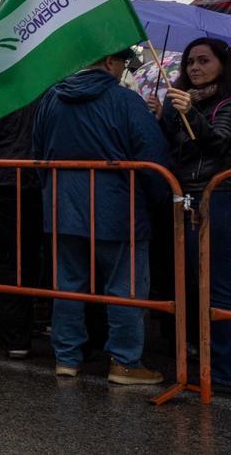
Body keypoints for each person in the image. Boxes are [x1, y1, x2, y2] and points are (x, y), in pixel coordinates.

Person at [33, 49, 170, 385]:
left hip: (62, 207)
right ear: (109, 62)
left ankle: (66, 358)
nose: (125, 68)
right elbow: (153, 158)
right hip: (118, 210)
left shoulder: (50, 100)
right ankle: (124, 362)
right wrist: (160, 200)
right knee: (125, 288)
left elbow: (37, 153)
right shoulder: (126, 101)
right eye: (123, 62)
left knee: (68, 285)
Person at [148, 37, 231, 389]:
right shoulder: (179, 100)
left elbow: (220, 144)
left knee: (218, 285)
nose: (194, 68)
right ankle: (200, 357)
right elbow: (172, 149)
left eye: (203, 61)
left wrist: (190, 113)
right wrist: (159, 117)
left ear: (222, 65)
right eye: (189, 63)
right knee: (190, 281)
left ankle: (225, 371)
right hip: (184, 199)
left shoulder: (226, 102)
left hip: (218, 198)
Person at [0, 98, 43, 359]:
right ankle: (25, 329)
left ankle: (15, 337)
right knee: (31, 259)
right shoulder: (47, 96)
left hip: (3, 185)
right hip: (36, 185)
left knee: (6, 261)